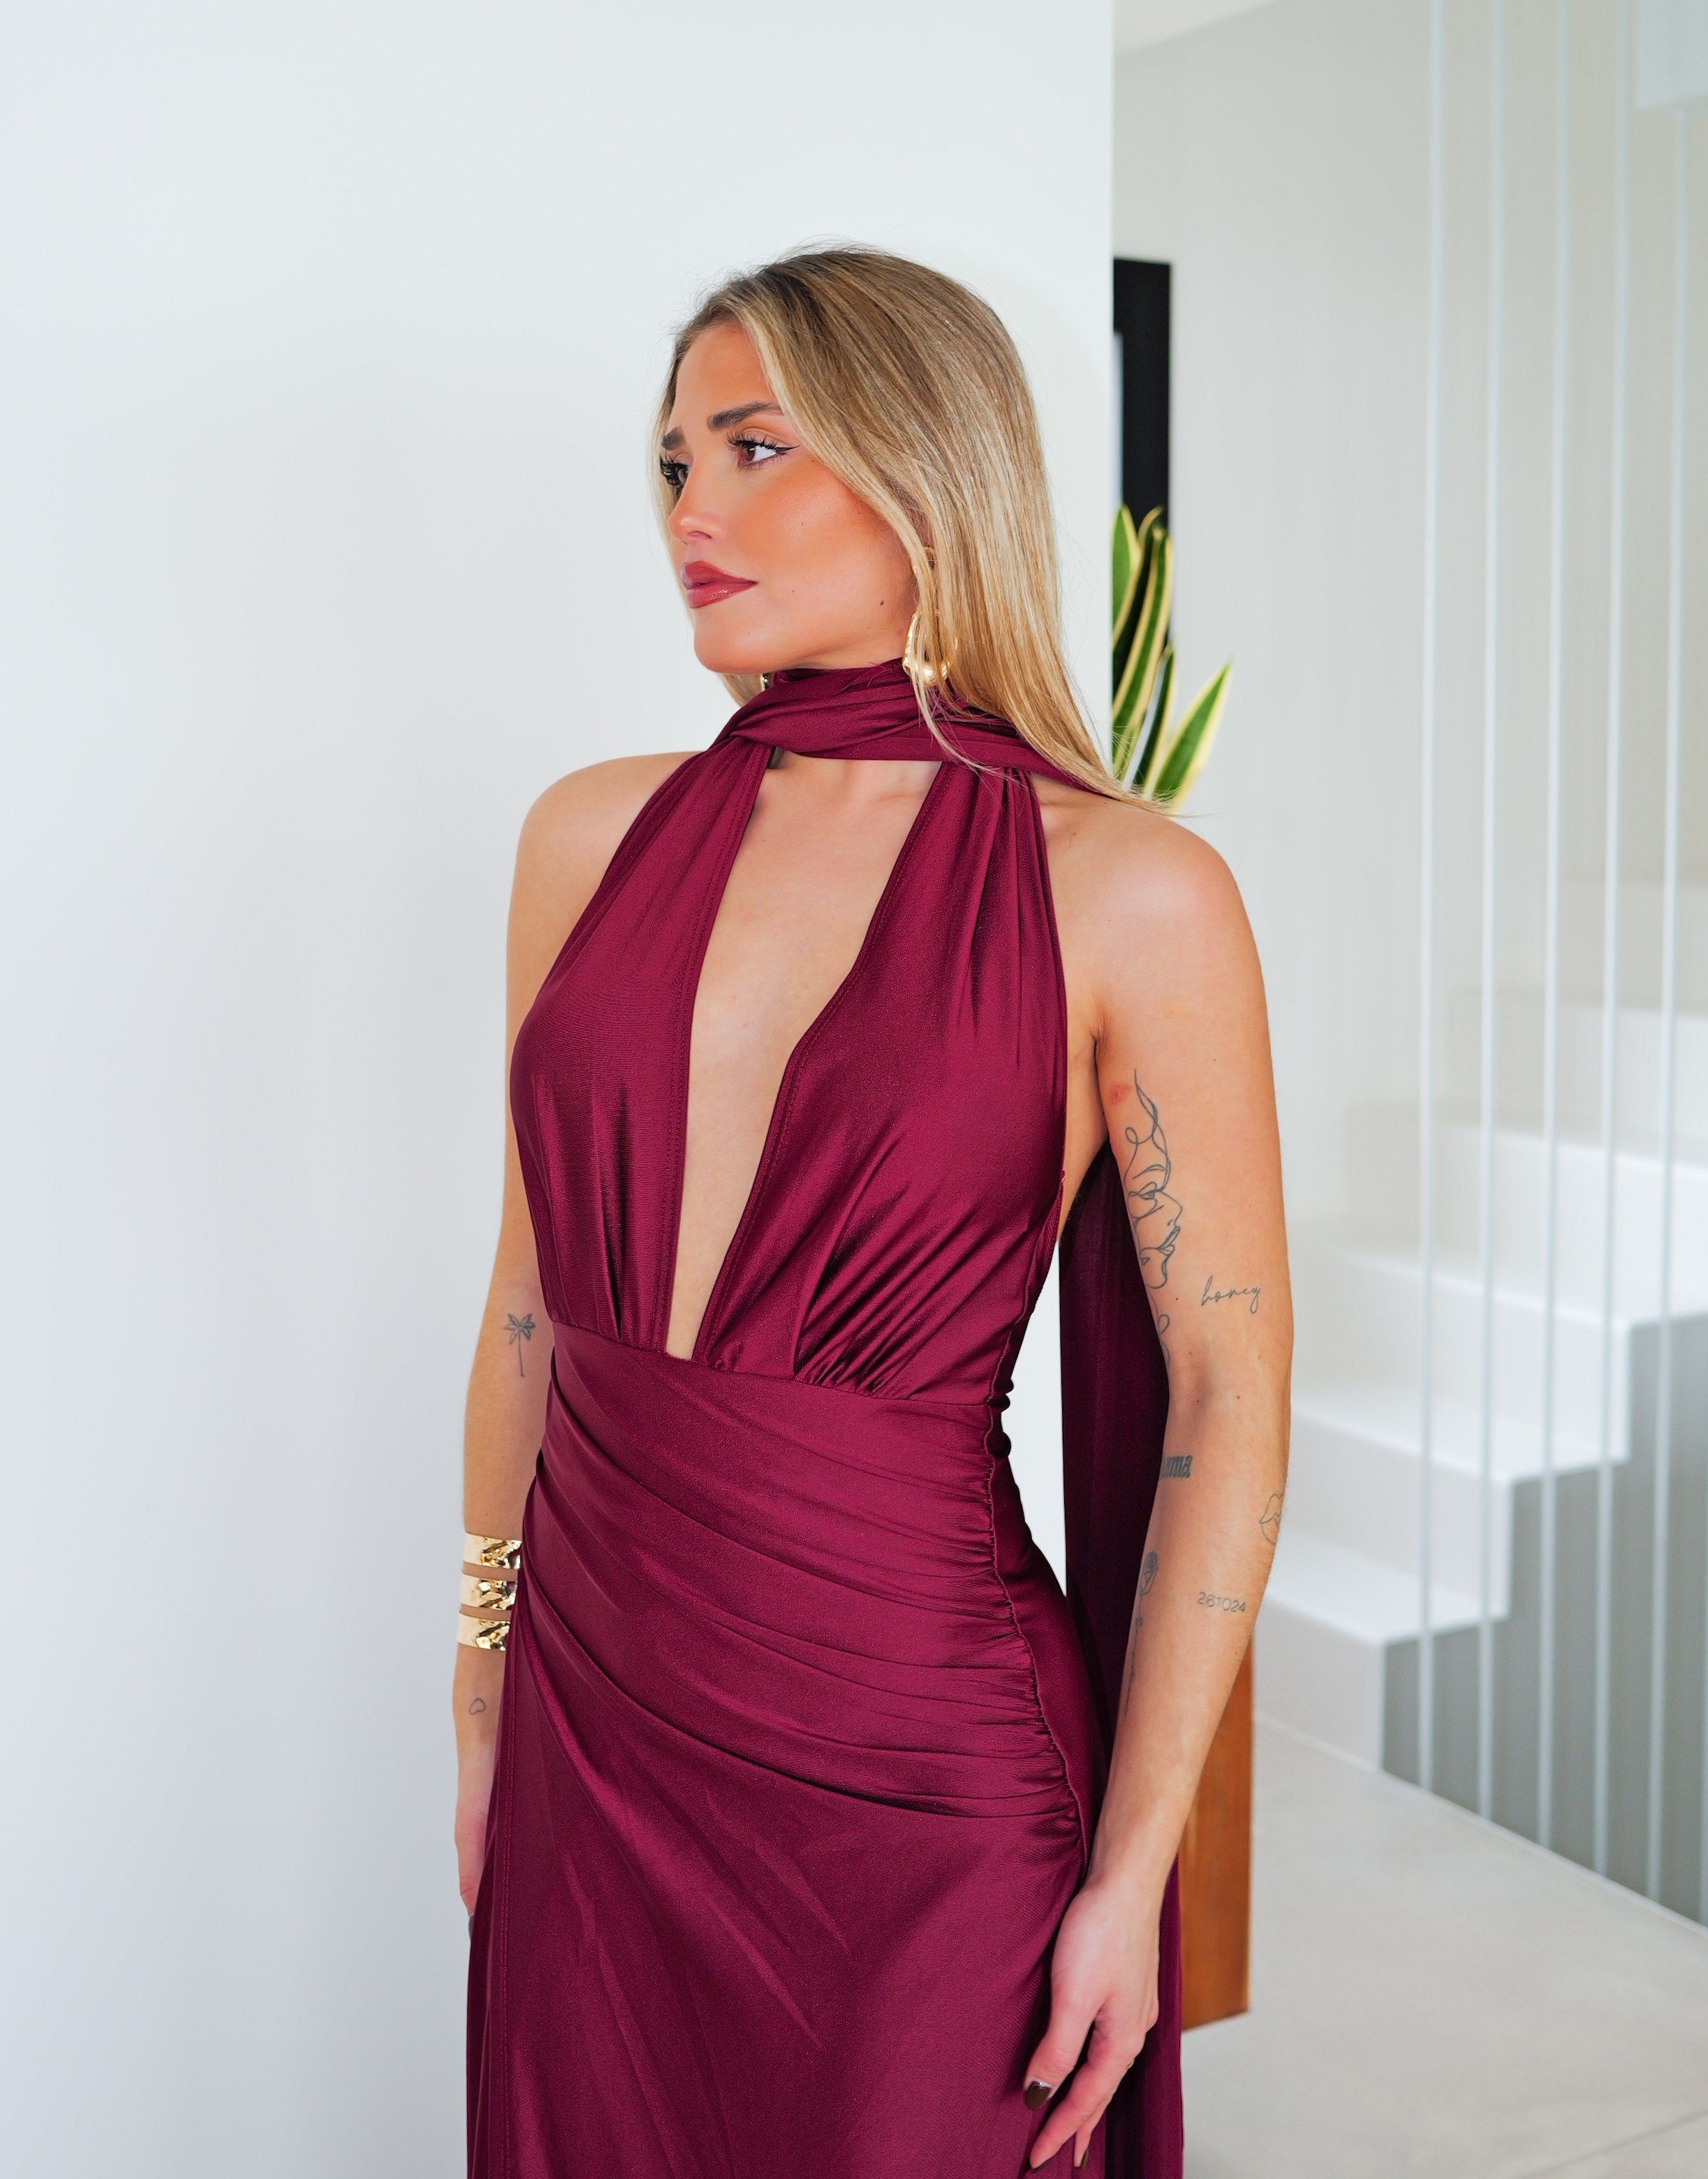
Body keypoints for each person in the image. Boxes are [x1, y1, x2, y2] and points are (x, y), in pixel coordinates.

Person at [452, 248, 1291, 2178]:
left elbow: (1228, 1392)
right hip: (594, 1723)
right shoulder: (584, 835)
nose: (692, 509)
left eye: (756, 448)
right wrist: (481, 1674)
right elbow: (525, 1303)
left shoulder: (1126, 888)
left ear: (926, 467)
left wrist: (1133, 1872)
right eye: (674, 460)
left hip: (922, 1776)